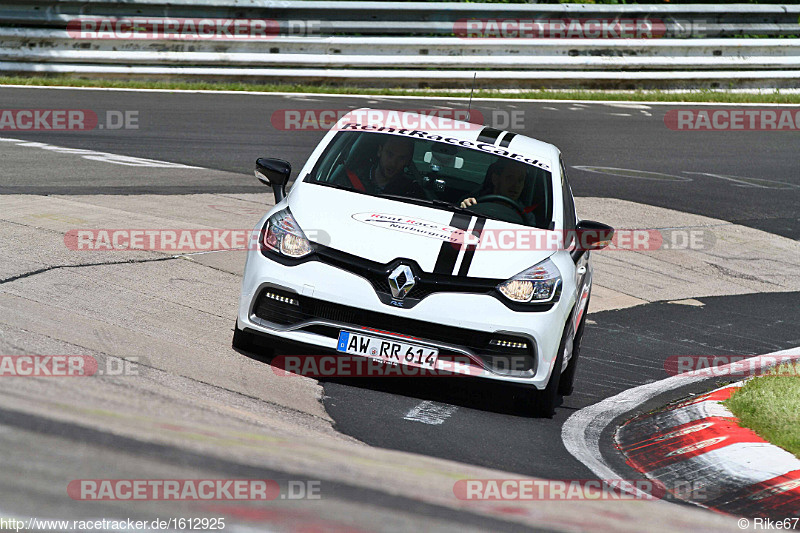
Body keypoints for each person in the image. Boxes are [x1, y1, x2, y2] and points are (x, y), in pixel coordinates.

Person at [340, 135, 422, 197]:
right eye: (390, 154)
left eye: (401, 158)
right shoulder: (350, 179)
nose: (393, 163)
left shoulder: (411, 192)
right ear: (380, 151)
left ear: (408, 161)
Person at [460, 158, 528, 209]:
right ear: (495, 179)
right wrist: (463, 208)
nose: (516, 185)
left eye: (520, 180)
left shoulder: (526, 216)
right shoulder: (474, 202)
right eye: (510, 178)